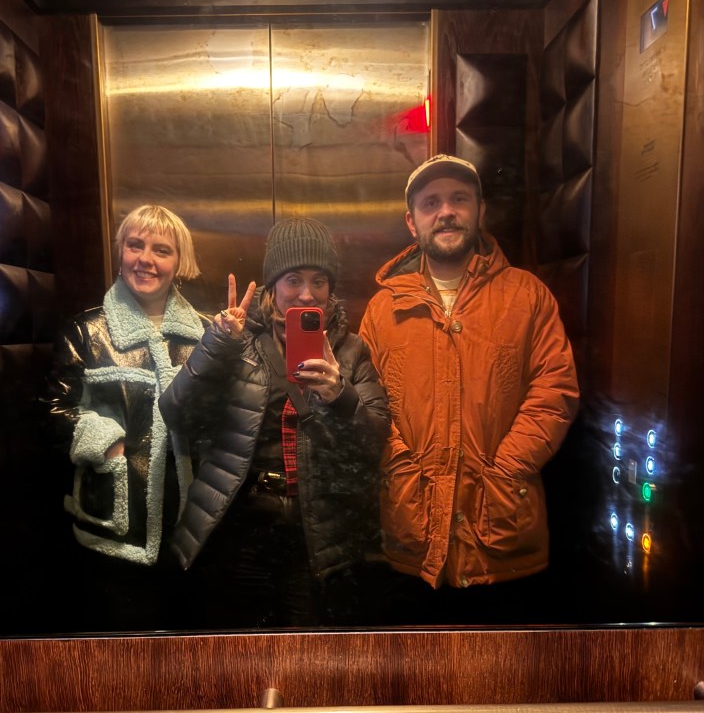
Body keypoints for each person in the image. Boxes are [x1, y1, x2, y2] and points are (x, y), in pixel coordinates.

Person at [359, 153, 580, 617]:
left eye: (459, 199)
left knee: (501, 681)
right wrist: (402, 471)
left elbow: (554, 392)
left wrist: (504, 474)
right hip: (411, 536)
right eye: (431, 202)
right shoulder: (382, 310)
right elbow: (367, 403)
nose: (446, 212)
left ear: (480, 210)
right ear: (411, 221)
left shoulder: (527, 295)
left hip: (502, 538)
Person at [159, 216, 390, 628]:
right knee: (235, 658)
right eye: (293, 279)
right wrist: (216, 345)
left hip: (315, 534)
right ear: (272, 286)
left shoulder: (352, 353)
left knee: (305, 658)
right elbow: (177, 414)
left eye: (319, 280)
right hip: (238, 528)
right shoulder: (237, 341)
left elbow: (375, 442)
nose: (306, 293)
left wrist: (341, 396)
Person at [45, 204, 206, 627]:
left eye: (161, 249)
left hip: (191, 528)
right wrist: (107, 444)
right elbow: (54, 407)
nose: (145, 259)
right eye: (135, 245)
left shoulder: (207, 334)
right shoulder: (87, 330)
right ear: (121, 251)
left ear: (180, 262)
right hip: (114, 525)